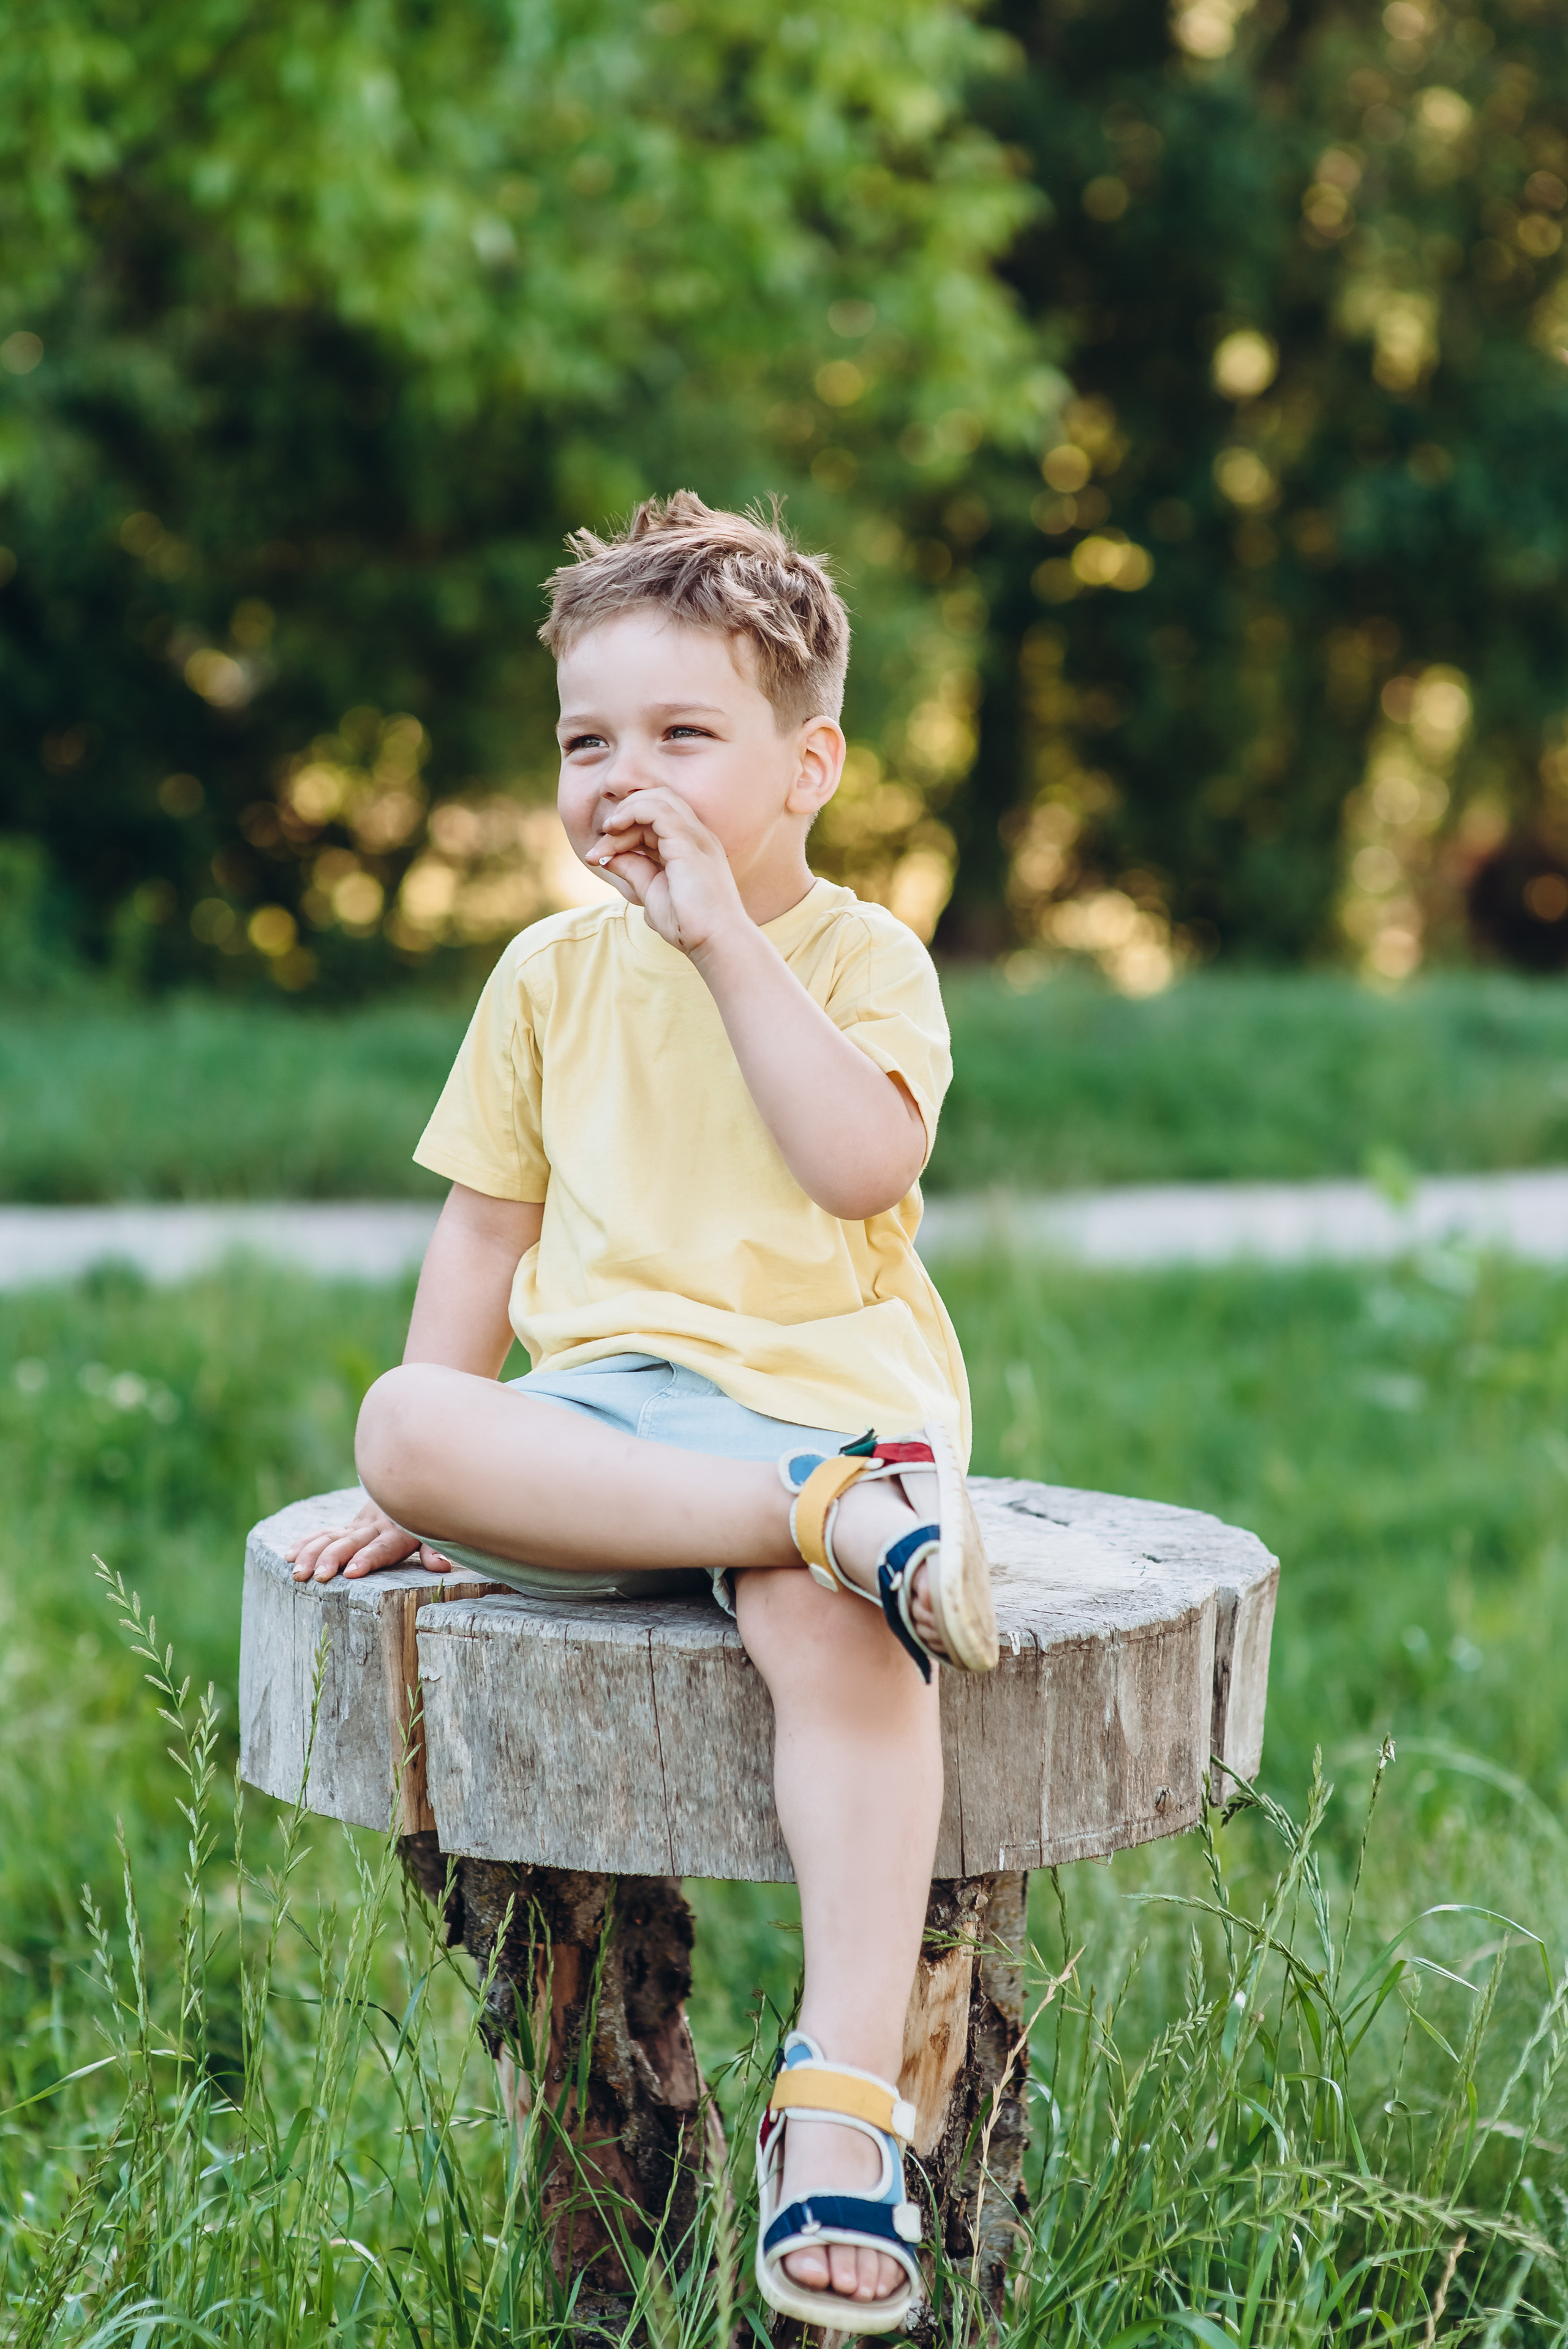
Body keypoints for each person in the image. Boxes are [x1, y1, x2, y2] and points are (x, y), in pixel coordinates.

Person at [284, 491, 998, 2332]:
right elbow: (487, 1229)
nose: (630, 776)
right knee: (400, 1422)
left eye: (686, 736)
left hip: (822, 1398)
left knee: (837, 1644)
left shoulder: (859, 960)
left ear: (807, 766)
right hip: (618, 1423)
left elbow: (856, 1164)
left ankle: (837, 2100)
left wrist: (718, 942)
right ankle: (809, 1515)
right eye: (590, 740)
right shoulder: (543, 974)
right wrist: (440, 1463)